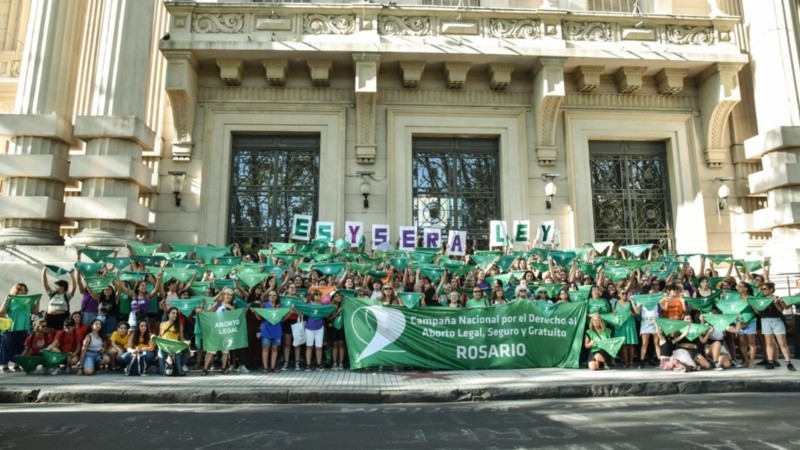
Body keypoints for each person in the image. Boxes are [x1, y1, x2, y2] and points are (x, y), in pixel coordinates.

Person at [757, 283, 796, 371]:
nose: (763, 291)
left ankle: (788, 363)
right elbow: (758, 312)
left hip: (777, 320)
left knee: (782, 343)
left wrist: (776, 303)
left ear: (771, 289)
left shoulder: (777, 298)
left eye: (765, 289)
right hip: (765, 320)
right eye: (762, 289)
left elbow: (781, 310)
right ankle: (770, 362)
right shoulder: (761, 299)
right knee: (769, 343)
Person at [0, 283, 37, 372]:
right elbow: (1, 313)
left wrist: (37, 301)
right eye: (20, 290)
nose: (23, 292)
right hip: (11, 327)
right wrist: (5, 301)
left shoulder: (27, 300)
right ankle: (5, 366)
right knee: (8, 347)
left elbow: (35, 312)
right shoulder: (11, 299)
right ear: (15, 290)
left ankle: (17, 365)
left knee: (20, 347)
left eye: (24, 290)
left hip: (24, 328)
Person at [201, 288, 235, 375]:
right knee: (211, 350)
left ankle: (223, 368)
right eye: (227, 294)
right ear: (224, 295)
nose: (229, 296)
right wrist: (201, 310)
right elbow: (208, 312)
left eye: (231, 295)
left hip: (226, 331)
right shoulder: (218, 303)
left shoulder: (232, 306)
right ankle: (205, 369)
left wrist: (230, 308)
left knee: (225, 350)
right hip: (215, 330)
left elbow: (234, 317)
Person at [41, 267, 76, 332]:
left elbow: (74, 288)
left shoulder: (67, 295)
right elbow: (45, 284)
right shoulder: (52, 294)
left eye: (57, 285)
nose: (55, 287)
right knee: (49, 334)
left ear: (62, 287)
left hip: (61, 318)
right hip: (49, 317)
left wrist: (72, 275)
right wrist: (43, 272)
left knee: (59, 334)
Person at [158, 307, 187, 376]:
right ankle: (162, 369)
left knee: (181, 351)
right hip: (164, 347)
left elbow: (181, 339)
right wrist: (154, 337)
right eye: (173, 313)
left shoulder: (179, 325)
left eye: (176, 313)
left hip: (174, 348)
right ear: (168, 314)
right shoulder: (162, 324)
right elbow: (160, 336)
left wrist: (186, 342)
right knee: (160, 352)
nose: (175, 315)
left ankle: (180, 370)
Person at [612, 290, 638, 368]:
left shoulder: (630, 302)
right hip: (620, 324)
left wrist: (632, 313)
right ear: (619, 294)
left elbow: (636, 314)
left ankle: (631, 362)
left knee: (631, 343)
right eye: (622, 293)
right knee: (623, 344)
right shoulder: (615, 302)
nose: (624, 295)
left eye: (626, 293)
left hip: (629, 323)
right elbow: (613, 314)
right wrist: (614, 311)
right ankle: (626, 362)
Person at [259, 290, 283, 373]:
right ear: (268, 297)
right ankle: (265, 367)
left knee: (275, 348)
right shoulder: (264, 305)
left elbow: (283, 318)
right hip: (266, 329)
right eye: (270, 295)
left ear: (276, 297)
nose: (272, 297)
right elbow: (259, 317)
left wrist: (289, 312)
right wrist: (255, 312)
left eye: (274, 295)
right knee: (266, 348)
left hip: (277, 329)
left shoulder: (280, 306)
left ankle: (273, 367)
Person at [326, 290, 346, 371]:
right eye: (336, 296)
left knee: (341, 345)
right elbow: (328, 319)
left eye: (339, 296)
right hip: (334, 327)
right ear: (333, 298)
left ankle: (341, 363)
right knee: (335, 345)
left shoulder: (345, 305)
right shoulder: (331, 307)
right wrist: (337, 312)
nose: (338, 297)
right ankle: (334, 363)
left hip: (342, 327)